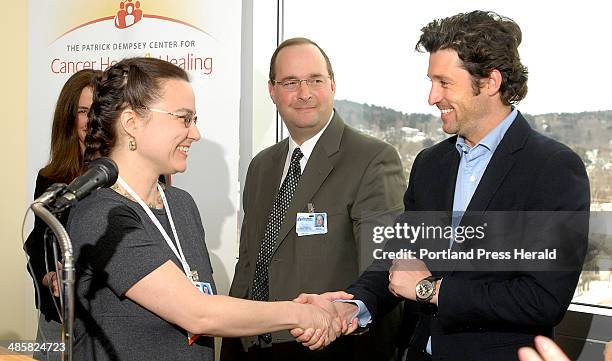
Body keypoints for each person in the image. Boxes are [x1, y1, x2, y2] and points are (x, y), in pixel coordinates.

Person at [294, 10, 590, 361]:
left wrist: (430, 290)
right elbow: (399, 259)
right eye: (431, 82)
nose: (432, 97)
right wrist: (352, 306)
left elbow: (542, 299)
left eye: (444, 82)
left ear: (491, 82)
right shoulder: (431, 164)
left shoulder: (552, 169)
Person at [66, 57, 340, 361]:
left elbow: (206, 303)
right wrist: (300, 314)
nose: (195, 133)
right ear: (131, 123)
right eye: (184, 118)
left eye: (194, 120)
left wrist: (303, 309)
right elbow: (198, 314)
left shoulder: (181, 205)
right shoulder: (100, 214)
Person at [221, 37, 406, 361]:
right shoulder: (261, 166)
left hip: (329, 349)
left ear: (332, 85)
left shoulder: (372, 160)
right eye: (291, 82)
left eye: (315, 80)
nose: (304, 93)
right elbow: (249, 263)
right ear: (272, 90)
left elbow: (382, 272)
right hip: (251, 346)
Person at [24, 68, 100, 361]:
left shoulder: (133, 177)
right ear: (69, 117)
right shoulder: (50, 177)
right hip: (56, 321)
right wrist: (49, 277)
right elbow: (36, 243)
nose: (92, 120)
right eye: (83, 111)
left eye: (98, 110)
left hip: (106, 322)